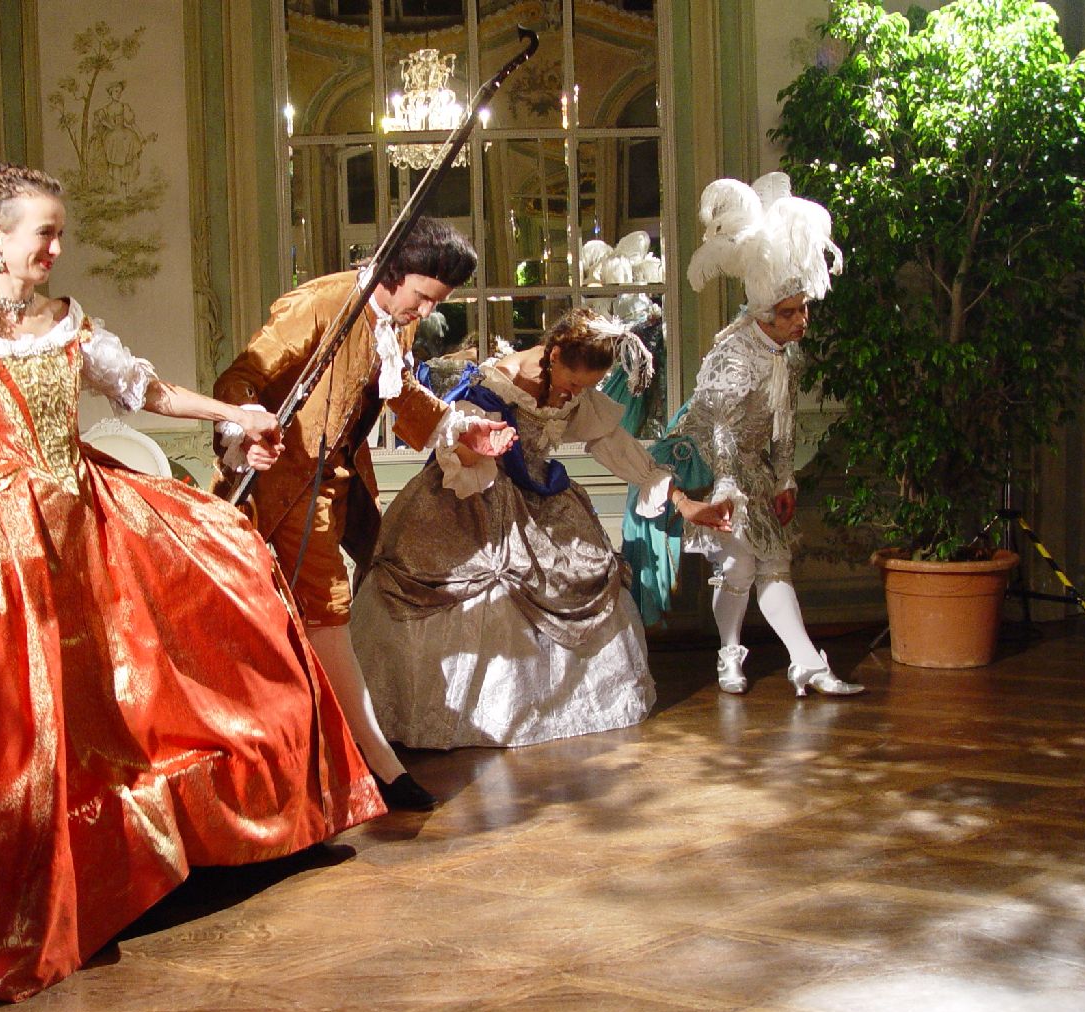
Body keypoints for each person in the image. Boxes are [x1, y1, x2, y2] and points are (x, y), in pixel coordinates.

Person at [0, 159, 383, 1012]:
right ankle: (15, 887)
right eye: (44, 233)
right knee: (13, 706)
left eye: (60, 234)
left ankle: (185, 838)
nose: (56, 248)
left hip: (88, 511)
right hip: (4, 528)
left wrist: (234, 414)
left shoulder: (67, 320)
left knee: (211, 586)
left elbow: (146, 388)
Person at [212, 219, 515, 809]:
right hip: (279, 482)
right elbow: (241, 378)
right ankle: (369, 764)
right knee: (305, 615)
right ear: (392, 273)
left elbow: (398, 392)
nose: (426, 312)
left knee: (325, 613)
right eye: (422, 297)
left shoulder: (397, 321)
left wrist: (460, 426)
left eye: (436, 302)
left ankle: (333, 761)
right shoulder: (322, 304)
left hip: (335, 485)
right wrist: (242, 430)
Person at [349, 308, 732, 748]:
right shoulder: (495, 385)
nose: (575, 395)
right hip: (473, 494)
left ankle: (551, 710)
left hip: (539, 497)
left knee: (576, 577)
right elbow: (455, 449)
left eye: (586, 388)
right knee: (485, 589)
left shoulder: (574, 392)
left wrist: (682, 502)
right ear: (553, 355)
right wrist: (480, 446)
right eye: (573, 383)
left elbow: (612, 442)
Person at [672, 171, 865, 697]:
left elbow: (785, 420)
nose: (802, 319)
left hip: (754, 466)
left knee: (775, 563)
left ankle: (807, 663)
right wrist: (727, 486)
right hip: (711, 466)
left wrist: (784, 478)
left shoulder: (789, 355)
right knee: (738, 566)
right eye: (790, 312)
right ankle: (728, 654)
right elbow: (718, 427)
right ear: (764, 314)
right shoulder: (733, 354)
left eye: (803, 308)